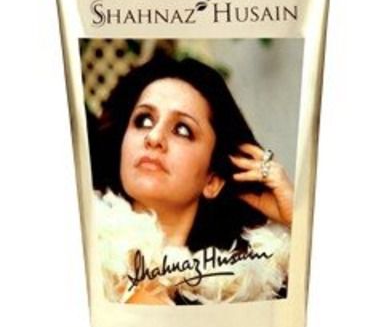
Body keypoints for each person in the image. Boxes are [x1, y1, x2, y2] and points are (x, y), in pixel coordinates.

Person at [91, 52, 294, 304]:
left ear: (212, 180)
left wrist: (296, 217)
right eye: (143, 120)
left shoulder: (243, 294)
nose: (153, 137)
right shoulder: (77, 245)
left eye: (182, 129)